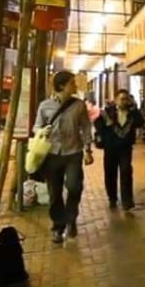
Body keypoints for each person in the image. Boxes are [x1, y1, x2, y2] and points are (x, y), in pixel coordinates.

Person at [34, 70, 94, 244]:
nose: (75, 86)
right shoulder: (45, 106)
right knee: (55, 193)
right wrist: (41, 130)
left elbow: (86, 127)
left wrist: (88, 150)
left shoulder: (79, 105)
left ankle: (71, 217)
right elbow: (36, 127)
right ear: (62, 86)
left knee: (74, 186)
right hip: (52, 153)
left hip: (73, 152)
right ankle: (58, 227)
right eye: (72, 83)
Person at [95, 89, 145, 210]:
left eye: (126, 99)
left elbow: (140, 122)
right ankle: (112, 198)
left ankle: (127, 201)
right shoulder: (108, 112)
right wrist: (105, 130)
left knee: (126, 172)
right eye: (122, 99)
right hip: (110, 148)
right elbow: (98, 124)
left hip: (125, 148)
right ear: (116, 99)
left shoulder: (132, 113)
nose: (124, 101)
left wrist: (134, 108)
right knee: (110, 173)